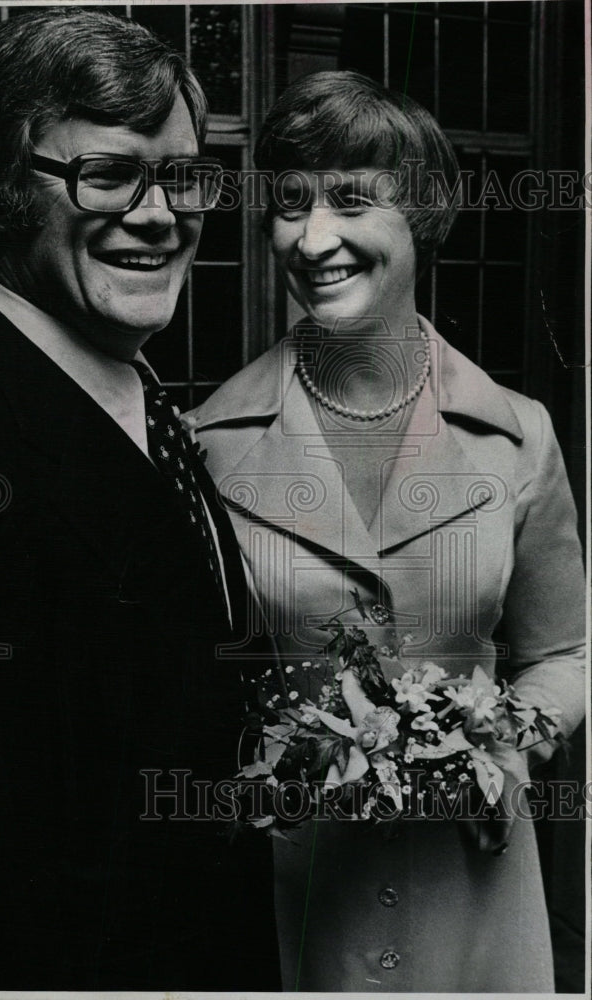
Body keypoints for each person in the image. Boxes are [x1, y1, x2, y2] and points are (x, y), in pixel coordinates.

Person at [0, 9, 280, 990]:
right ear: (5, 189)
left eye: (181, 175)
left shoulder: (143, 403)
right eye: (107, 174)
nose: (159, 214)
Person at [188, 70, 586, 992]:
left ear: (425, 216)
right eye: (290, 204)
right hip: (296, 877)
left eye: (353, 201)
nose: (314, 237)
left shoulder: (517, 433)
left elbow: (566, 651)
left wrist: (510, 750)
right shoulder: (209, 440)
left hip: (472, 871)